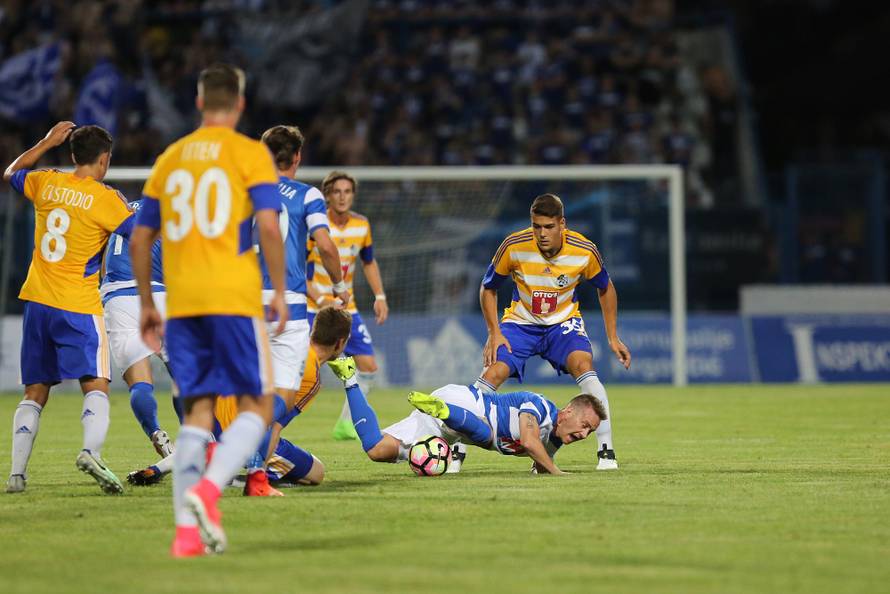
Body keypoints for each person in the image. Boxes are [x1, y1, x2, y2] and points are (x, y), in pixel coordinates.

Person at [130, 63, 287, 558]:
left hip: (182, 304)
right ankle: (209, 489)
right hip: (234, 299)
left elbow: (140, 237)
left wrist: (147, 303)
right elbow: (266, 225)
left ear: (199, 103)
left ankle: (184, 538)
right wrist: (279, 290)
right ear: (240, 104)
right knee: (256, 406)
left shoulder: (170, 158)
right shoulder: (249, 153)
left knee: (197, 415)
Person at [4, 122, 135, 495]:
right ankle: (91, 451)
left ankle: (16, 474)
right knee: (96, 383)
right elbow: (140, 232)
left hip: (38, 302)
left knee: (35, 390)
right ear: (105, 159)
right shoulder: (106, 199)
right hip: (78, 304)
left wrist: (46, 141)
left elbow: (11, 172)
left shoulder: (47, 181)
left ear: (73, 154)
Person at [475, 193, 631, 470]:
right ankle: (456, 450)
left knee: (583, 364)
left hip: (563, 324)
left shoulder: (584, 250)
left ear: (562, 224)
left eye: (548, 227)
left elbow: (605, 288)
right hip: (521, 322)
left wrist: (612, 336)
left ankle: (606, 452)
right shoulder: (514, 245)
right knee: (494, 371)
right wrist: (494, 332)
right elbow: (488, 288)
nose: (542, 233)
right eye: (536, 226)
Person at [126, 306, 352, 493]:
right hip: (245, 431)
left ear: (315, 330)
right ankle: (237, 478)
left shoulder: (285, 341)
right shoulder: (311, 378)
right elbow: (273, 426)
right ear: (340, 343)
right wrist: (259, 473)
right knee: (316, 473)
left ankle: (166, 466)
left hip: (212, 413)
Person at [241, 126, 348, 496]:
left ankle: (227, 455)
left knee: (243, 388)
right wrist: (339, 287)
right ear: (298, 158)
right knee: (282, 394)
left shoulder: (245, 192)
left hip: (242, 301)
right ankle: (254, 472)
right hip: (286, 303)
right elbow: (326, 245)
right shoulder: (307, 195)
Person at [326, 357, 606, 475]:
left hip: (451, 430)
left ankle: (349, 377)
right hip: (467, 403)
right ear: (567, 411)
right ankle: (446, 412)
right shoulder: (541, 406)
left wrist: (548, 468)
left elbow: (540, 463)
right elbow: (530, 443)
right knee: (486, 434)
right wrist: (559, 474)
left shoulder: (553, 441)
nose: (583, 435)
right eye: (584, 425)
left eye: (589, 433)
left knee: (376, 449)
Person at [306, 171, 388, 441]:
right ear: (327, 195)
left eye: (347, 192)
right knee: (300, 367)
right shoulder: (314, 226)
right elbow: (298, 271)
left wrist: (379, 296)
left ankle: (345, 424)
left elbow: (368, 261)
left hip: (345, 308)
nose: (342, 197)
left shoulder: (361, 225)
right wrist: (321, 300)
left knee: (369, 366)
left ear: (353, 195)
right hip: (311, 307)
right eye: (336, 192)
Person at [101, 200, 180, 457]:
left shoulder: (119, 208)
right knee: (184, 375)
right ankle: (204, 439)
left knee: (140, 383)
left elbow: (104, 264)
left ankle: (157, 433)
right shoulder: (173, 210)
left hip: (116, 294)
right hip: (155, 291)